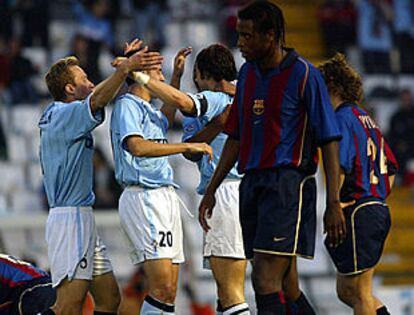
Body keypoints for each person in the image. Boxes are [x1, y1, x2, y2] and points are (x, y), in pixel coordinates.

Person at [196, 2, 344, 314]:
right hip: (252, 183)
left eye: (248, 36)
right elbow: (236, 136)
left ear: (271, 36)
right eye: (239, 35)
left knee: (264, 278)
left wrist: (333, 202)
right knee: (287, 286)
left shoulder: (304, 74)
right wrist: (211, 189)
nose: (241, 43)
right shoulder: (248, 74)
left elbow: (328, 140)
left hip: (287, 184)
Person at [39, 41, 163, 315]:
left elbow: (103, 96)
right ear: (69, 89)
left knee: (109, 300)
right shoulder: (64, 113)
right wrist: (125, 69)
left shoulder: (61, 116)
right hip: (70, 220)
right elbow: (97, 100)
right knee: (68, 307)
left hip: (81, 218)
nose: (91, 81)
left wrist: (128, 65)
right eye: (84, 78)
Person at [134, 43, 250, 314]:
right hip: (251, 190)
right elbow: (191, 151)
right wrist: (216, 127)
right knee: (227, 291)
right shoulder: (250, 97)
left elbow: (185, 104)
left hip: (225, 193)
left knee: (231, 291)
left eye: (196, 75)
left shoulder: (214, 98)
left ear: (203, 73)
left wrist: (140, 76)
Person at [110, 42, 212, 315]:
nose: (163, 79)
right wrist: (186, 147)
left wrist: (178, 76)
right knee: (161, 287)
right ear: (141, 72)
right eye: (159, 72)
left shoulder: (148, 108)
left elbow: (164, 118)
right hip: (144, 195)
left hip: (163, 196)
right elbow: (137, 146)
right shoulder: (126, 105)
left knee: (170, 290)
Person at [318, 53, 398, 315]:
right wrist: (376, 196)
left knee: (360, 292)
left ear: (333, 88)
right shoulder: (367, 119)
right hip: (375, 207)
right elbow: (392, 169)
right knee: (348, 291)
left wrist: (336, 204)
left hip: (358, 210)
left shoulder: (341, 119)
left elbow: (338, 164)